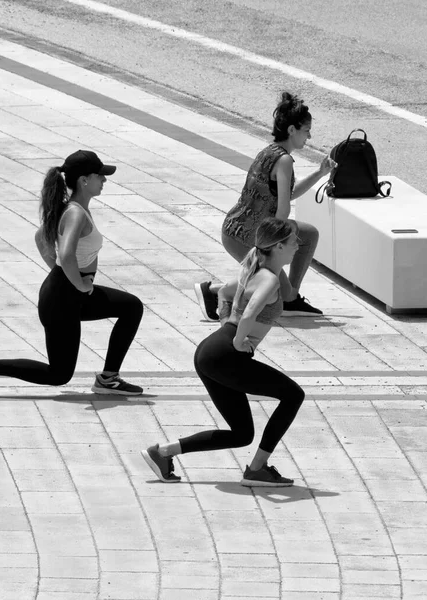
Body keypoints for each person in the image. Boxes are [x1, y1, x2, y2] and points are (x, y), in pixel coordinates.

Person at [0, 150, 144, 398]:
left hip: (66, 292)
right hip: (62, 300)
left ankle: (108, 378)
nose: (104, 180)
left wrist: (61, 273)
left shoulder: (71, 208)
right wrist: (77, 283)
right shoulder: (76, 213)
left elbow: (41, 238)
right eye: (100, 176)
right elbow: (68, 254)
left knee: (131, 307)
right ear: (84, 180)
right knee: (59, 374)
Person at [143, 217, 305, 487]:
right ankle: (257, 470)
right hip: (225, 354)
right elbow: (252, 310)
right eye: (293, 241)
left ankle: (162, 453)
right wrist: (240, 339)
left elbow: (223, 293)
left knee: (242, 433)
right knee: (293, 395)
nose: (298, 246)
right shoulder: (269, 280)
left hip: (212, 351)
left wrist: (225, 324)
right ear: (277, 247)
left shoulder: (253, 271)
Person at [195, 91, 336, 321]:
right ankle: (214, 291)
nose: (308, 137)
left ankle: (287, 296)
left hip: (234, 228)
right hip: (249, 237)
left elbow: (287, 194)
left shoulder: (270, 152)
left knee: (308, 233)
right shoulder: (285, 160)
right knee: (277, 291)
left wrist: (320, 172)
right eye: (306, 131)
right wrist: (276, 250)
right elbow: (282, 211)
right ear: (292, 130)